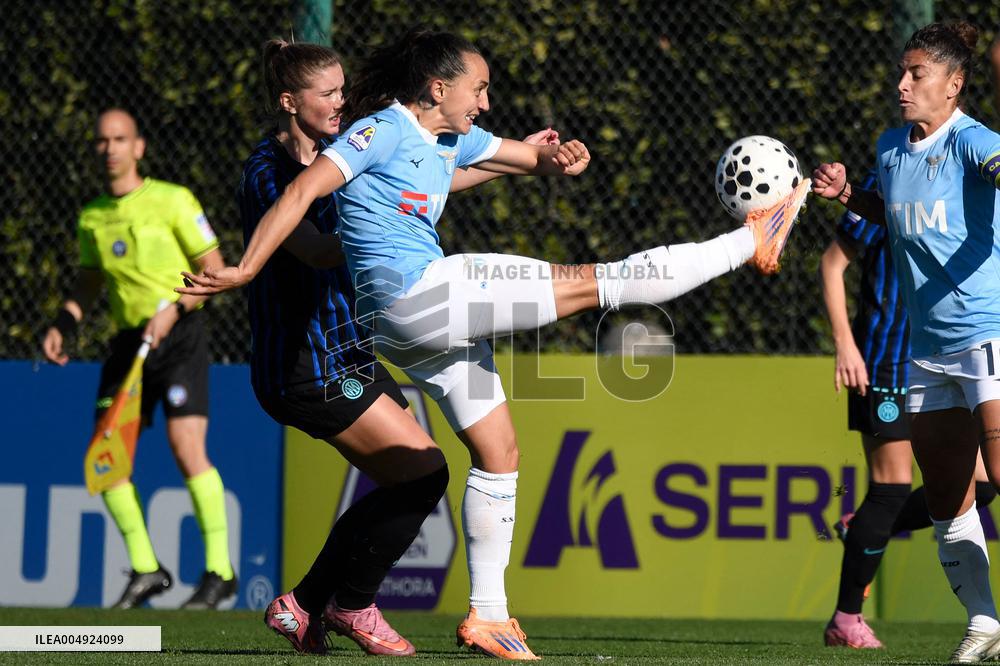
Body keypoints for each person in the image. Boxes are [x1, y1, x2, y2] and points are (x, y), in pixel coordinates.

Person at [180, 28, 810, 659]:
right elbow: (300, 191)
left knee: (498, 449)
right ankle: (748, 242)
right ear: (438, 87)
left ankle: (488, 616)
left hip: (403, 326)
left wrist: (555, 157)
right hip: (420, 297)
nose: (485, 101)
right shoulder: (382, 130)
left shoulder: (445, 137)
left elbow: (517, 157)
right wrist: (245, 267)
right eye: (477, 88)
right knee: (596, 283)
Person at [243, 39, 556, 657]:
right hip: (305, 362)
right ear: (288, 102)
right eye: (326, 94)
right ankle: (338, 604)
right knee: (422, 471)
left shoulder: (352, 148)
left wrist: (502, 164)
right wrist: (380, 219)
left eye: (341, 90)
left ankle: (310, 605)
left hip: (349, 353)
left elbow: (419, 182)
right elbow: (318, 250)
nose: (340, 103)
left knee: (420, 475)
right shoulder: (269, 172)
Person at [812, 21, 1000, 663]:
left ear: (954, 85)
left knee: (999, 472)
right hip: (925, 351)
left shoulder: (973, 141)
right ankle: (983, 621)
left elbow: (994, 166)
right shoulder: (893, 148)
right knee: (949, 497)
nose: (902, 84)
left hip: (987, 336)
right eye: (902, 71)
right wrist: (848, 196)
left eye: (916, 74)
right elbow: (889, 213)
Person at [42, 108, 237, 610]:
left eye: (120, 139)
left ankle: (220, 571)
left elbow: (213, 270)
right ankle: (146, 569)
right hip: (127, 347)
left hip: (178, 337)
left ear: (139, 147)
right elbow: (89, 280)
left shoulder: (173, 200)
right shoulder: (92, 216)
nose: (110, 149)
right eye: (102, 140)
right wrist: (64, 323)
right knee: (107, 459)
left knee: (185, 444)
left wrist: (173, 311)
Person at [820, 170, 996, 649]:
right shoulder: (893, 178)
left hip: (946, 359)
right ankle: (846, 619)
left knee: (981, 485)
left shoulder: (972, 179)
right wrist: (845, 346)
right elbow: (833, 263)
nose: (905, 89)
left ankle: (868, 529)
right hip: (885, 362)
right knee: (890, 489)